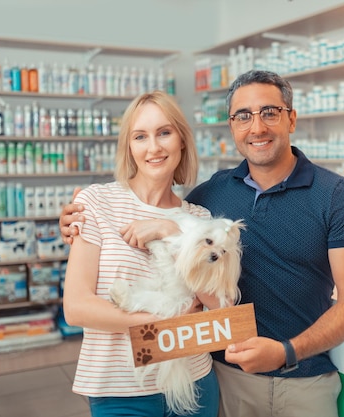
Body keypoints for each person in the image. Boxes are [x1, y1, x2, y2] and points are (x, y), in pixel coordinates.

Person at [61, 70, 344, 417]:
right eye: (244, 116)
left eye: (269, 112)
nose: (257, 127)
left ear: (291, 119)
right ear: (232, 126)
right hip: (206, 380)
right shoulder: (208, 196)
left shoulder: (332, 195)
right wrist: (77, 220)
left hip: (277, 379)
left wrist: (288, 351)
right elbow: (76, 305)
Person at [62, 91, 223, 417]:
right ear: (129, 146)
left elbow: (220, 304)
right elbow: (76, 307)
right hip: (120, 389)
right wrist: (160, 324)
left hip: (193, 382)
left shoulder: (201, 219)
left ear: (181, 140)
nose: (154, 147)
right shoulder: (97, 202)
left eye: (164, 132)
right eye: (140, 136)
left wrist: (172, 232)